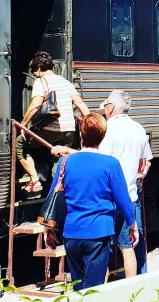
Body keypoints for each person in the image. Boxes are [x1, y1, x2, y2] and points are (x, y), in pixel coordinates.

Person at [46, 114, 139, 290]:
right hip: (98, 233)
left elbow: (53, 196)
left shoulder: (65, 162)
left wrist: (49, 229)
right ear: (103, 136)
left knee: (78, 287)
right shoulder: (110, 164)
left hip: (72, 233)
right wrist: (132, 225)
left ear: (81, 134)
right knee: (94, 290)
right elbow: (123, 199)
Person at [18, 51, 91, 193]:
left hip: (50, 130)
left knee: (20, 143)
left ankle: (35, 180)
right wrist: (91, 122)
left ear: (39, 68)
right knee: (59, 160)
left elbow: (35, 105)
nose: (33, 74)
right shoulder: (66, 82)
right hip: (69, 130)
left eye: (33, 70)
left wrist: (23, 124)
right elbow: (80, 104)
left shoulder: (41, 81)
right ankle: (58, 190)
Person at [99, 90, 152, 277]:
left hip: (108, 198)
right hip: (130, 196)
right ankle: (134, 289)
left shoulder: (107, 129)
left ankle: (102, 293)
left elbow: (101, 162)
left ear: (111, 107)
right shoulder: (138, 128)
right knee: (128, 246)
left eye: (105, 106)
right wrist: (137, 177)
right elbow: (145, 163)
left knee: (102, 248)